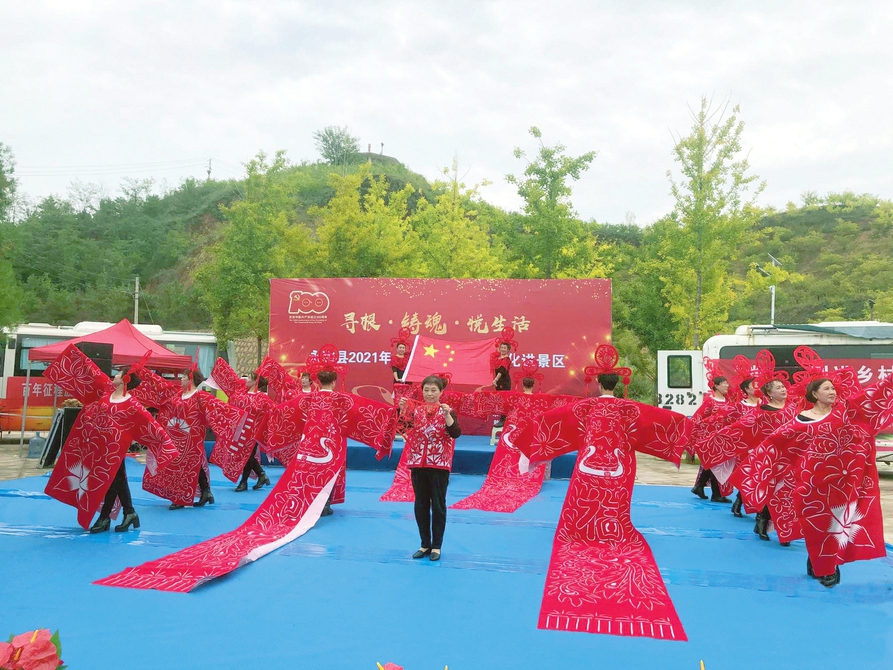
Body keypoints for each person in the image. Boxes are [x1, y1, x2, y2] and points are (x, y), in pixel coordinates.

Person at [97, 346, 397, 593]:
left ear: (318, 378)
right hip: (332, 443)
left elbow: (286, 414)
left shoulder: (307, 398)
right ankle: (323, 503)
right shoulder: (343, 399)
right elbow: (367, 413)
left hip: (309, 442)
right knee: (330, 471)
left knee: (306, 476)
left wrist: (268, 425)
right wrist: (389, 420)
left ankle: (311, 503)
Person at [514, 345, 693, 640]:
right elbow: (661, 420)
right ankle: (613, 531)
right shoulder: (630, 408)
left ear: (598, 383)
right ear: (618, 383)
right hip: (621, 464)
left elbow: (555, 420)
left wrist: (528, 441)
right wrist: (689, 433)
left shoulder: (585, 407)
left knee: (584, 500)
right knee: (614, 503)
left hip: (589, 463)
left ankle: (581, 531)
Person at [42, 345, 178, 531]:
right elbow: (92, 373)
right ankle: (129, 512)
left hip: (114, 450)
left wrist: (166, 446)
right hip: (98, 447)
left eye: (118, 374)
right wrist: (72, 357)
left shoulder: (132, 405)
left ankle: (105, 518)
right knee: (117, 480)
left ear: (124, 380)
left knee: (111, 480)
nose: (114, 376)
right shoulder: (107, 393)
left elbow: (150, 425)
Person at [450, 359, 576, 513]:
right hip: (531, 433)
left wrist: (478, 394)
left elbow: (493, 400)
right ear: (533, 384)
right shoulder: (542, 399)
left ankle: (508, 476)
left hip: (514, 431)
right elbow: (564, 403)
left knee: (510, 456)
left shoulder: (514, 397)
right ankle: (525, 476)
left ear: (523, 384)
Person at [135, 364, 247, 510]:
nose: (181, 380)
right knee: (190, 464)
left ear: (191, 379)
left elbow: (219, 408)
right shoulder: (177, 394)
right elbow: (161, 385)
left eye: (183, 377)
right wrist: (142, 372)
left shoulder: (200, 396)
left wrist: (238, 418)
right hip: (175, 436)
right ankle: (206, 491)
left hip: (192, 437)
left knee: (186, 465)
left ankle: (181, 498)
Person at [399, 375, 461, 561]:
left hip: (439, 465)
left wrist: (447, 415)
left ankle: (437, 546)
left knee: (438, 506)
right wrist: (402, 410)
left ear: (441, 392)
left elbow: (455, 433)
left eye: (434, 390)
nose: (429, 394)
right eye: (426, 390)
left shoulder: (447, 411)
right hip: (418, 463)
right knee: (421, 504)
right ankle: (424, 543)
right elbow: (404, 427)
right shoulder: (416, 411)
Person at [210, 358, 274, 492]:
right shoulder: (242, 394)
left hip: (254, 433)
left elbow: (270, 413)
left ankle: (244, 482)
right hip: (242, 431)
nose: (246, 380)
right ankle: (261, 475)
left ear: (255, 382)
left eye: (249, 378)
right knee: (245, 455)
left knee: (247, 456)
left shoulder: (263, 397)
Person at [689, 375, 734, 502]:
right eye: (724, 383)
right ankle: (715, 494)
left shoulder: (728, 401)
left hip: (724, 438)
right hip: (711, 439)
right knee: (715, 464)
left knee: (713, 464)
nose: (727, 385)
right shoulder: (710, 401)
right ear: (716, 386)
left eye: (727, 383)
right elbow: (698, 418)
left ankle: (700, 486)